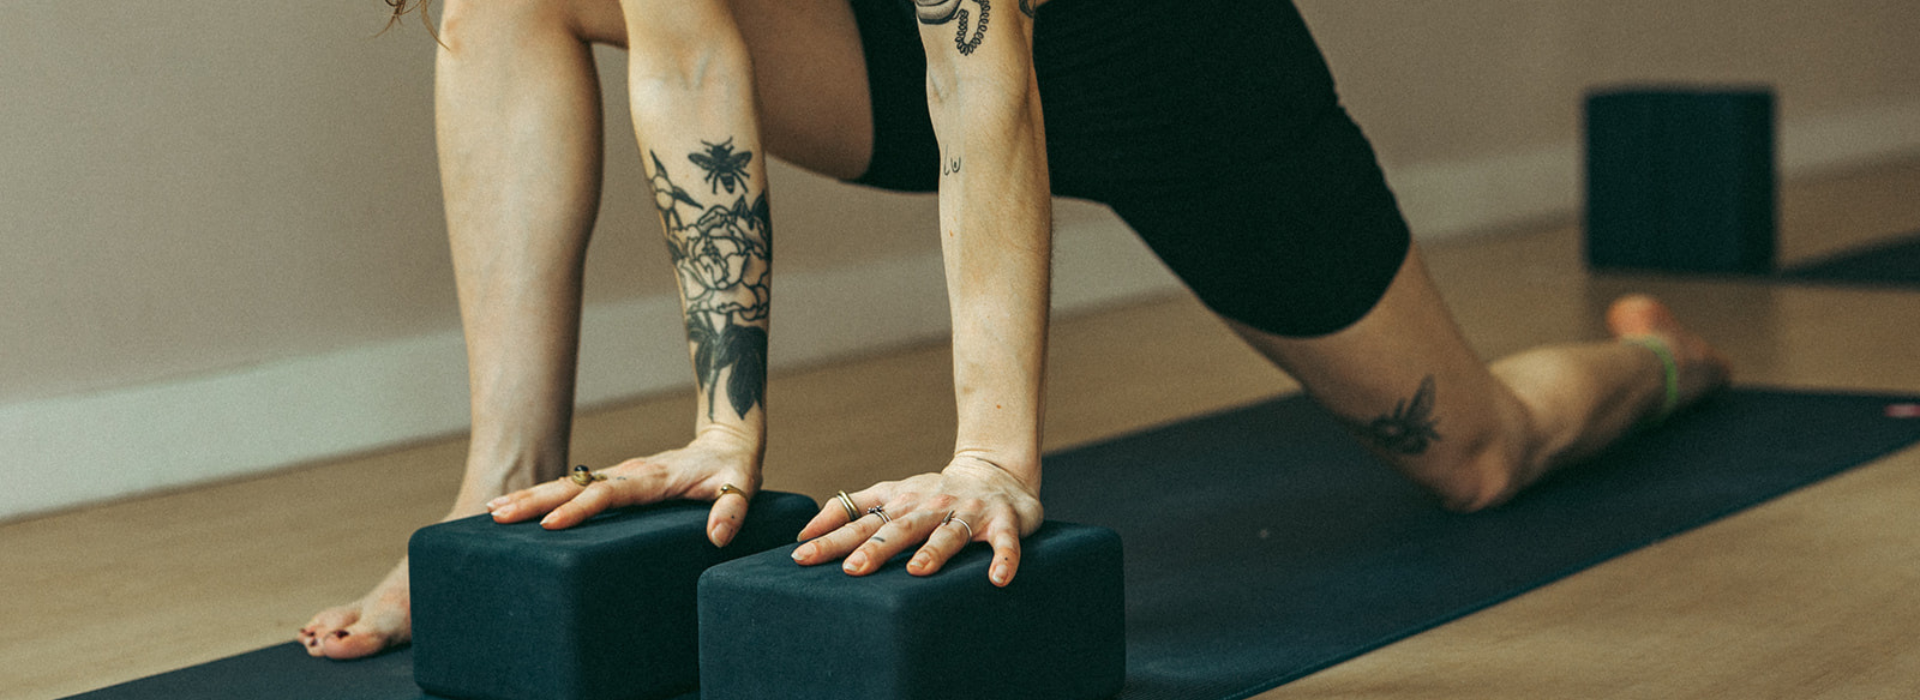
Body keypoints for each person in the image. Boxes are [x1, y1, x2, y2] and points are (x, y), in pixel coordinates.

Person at [299, 0, 1729, 659]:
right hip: (878, 47)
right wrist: (724, 430)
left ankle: (1665, 358)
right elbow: (689, 58)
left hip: (1171, 56)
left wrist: (991, 454)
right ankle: (496, 482)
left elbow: (982, 81)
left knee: (1477, 452)